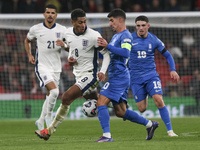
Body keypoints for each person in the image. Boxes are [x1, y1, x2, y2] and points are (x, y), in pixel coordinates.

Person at [35, 8, 111, 140]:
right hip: (79, 75)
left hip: (91, 75)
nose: (83, 25)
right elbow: (72, 47)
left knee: (66, 97)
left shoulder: (94, 35)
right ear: (73, 22)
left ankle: (49, 131)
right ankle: (126, 109)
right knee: (100, 102)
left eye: (85, 22)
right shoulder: (68, 33)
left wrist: (103, 72)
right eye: (80, 22)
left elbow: (106, 54)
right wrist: (71, 57)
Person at [95, 8, 159, 142]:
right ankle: (149, 124)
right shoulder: (116, 36)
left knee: (101, 102)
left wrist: (108, 46)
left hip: (119, 76)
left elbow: (125, 53)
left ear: (120, 20)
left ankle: (106, 136)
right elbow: (112, 53)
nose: (110, 24)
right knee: (120, 112)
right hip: (116, 76)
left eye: (112, 21)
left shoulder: (126, 36)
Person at [129, 15, 180, 137]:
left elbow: (167, 55)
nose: (140, 28)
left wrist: (173, 70)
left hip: (151, 75)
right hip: (135, 78)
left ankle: (170, 131)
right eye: (138, 25)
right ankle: (146, 98)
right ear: (135, 26)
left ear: (148, 26)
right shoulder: (129, 39)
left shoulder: (154, 39)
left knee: (158, 100)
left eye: (143, 25)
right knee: (142, 109)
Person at [24, 4, 67, 131]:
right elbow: (27, 41)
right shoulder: (36, 29)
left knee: (50, 95)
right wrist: (29, 54)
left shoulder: (62, 30)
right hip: (42, 66)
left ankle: (40, 120)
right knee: (55, 92)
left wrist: (64, 44)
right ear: (44, 14)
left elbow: (71, 46)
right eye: (48, 12)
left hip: (56, 67)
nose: (50, 15)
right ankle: (49, 117)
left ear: (56, 15)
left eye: (52, 13)